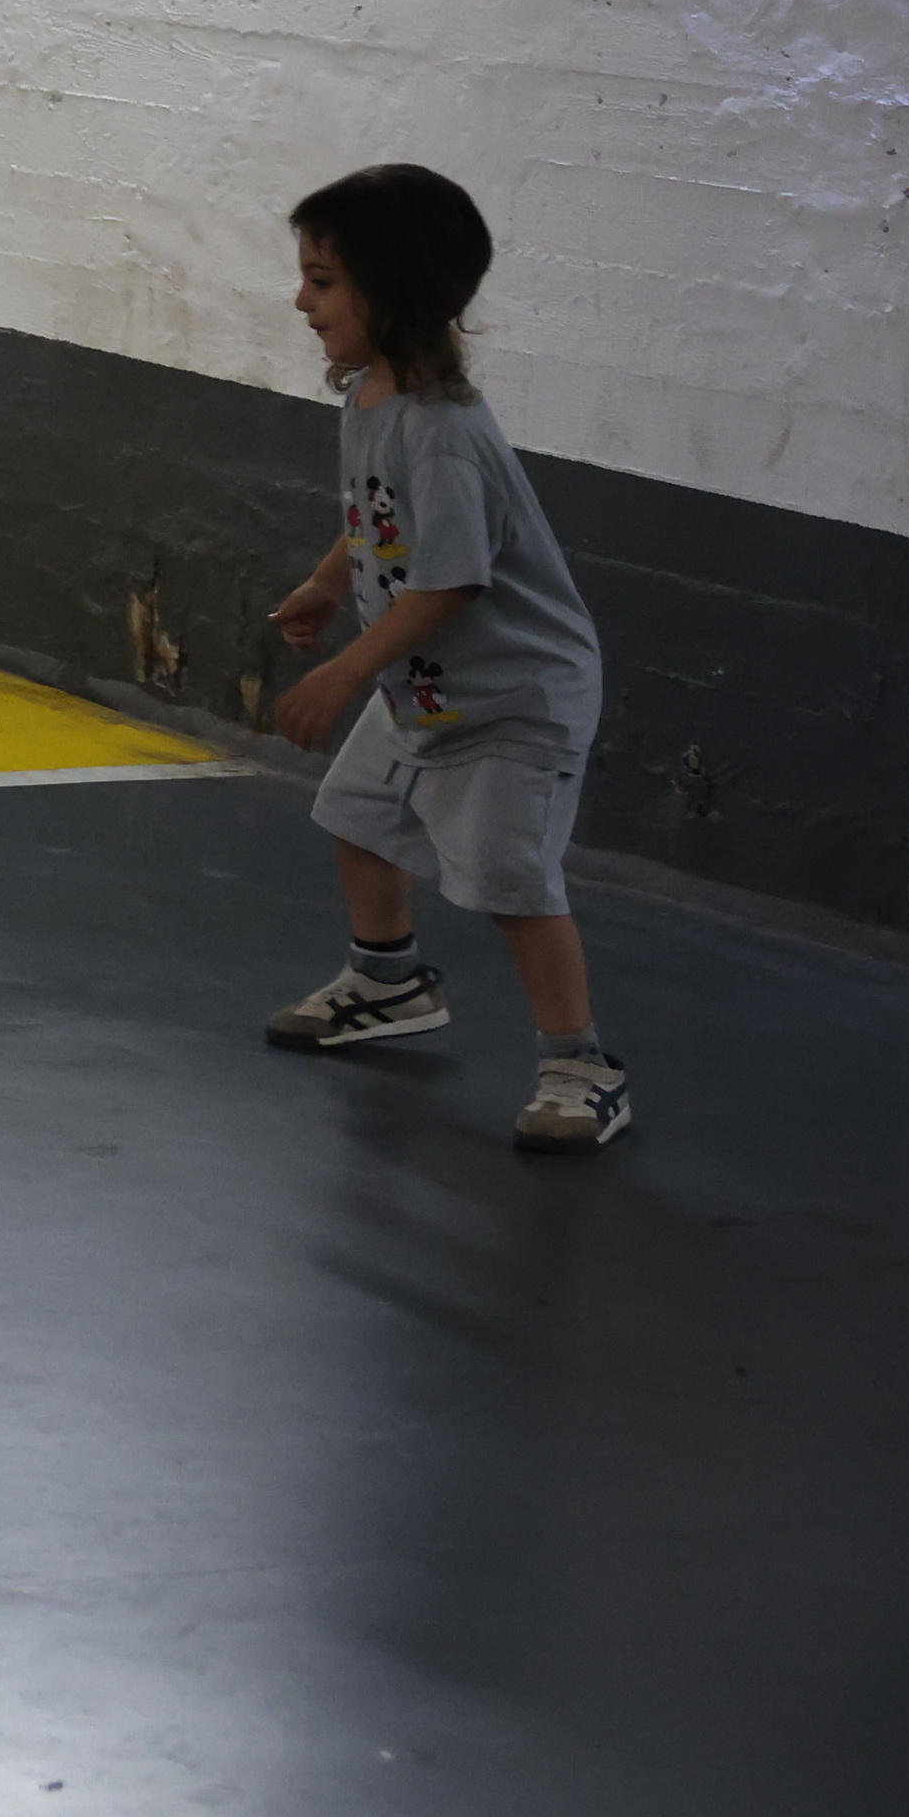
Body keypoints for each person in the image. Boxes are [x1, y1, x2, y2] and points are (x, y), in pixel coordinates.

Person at [259, 161, 627, 1152]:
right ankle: (388, 982)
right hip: (423, 681)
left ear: (397, 289)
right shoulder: (373, 400)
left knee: (512, 881)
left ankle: (581, 1063)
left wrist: (341, 670)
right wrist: (332, 581)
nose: (302, 299)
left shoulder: (446, 434)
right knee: (356, 814)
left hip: (512, 698)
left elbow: (452, 582)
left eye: (324, 281)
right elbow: (377, 520)